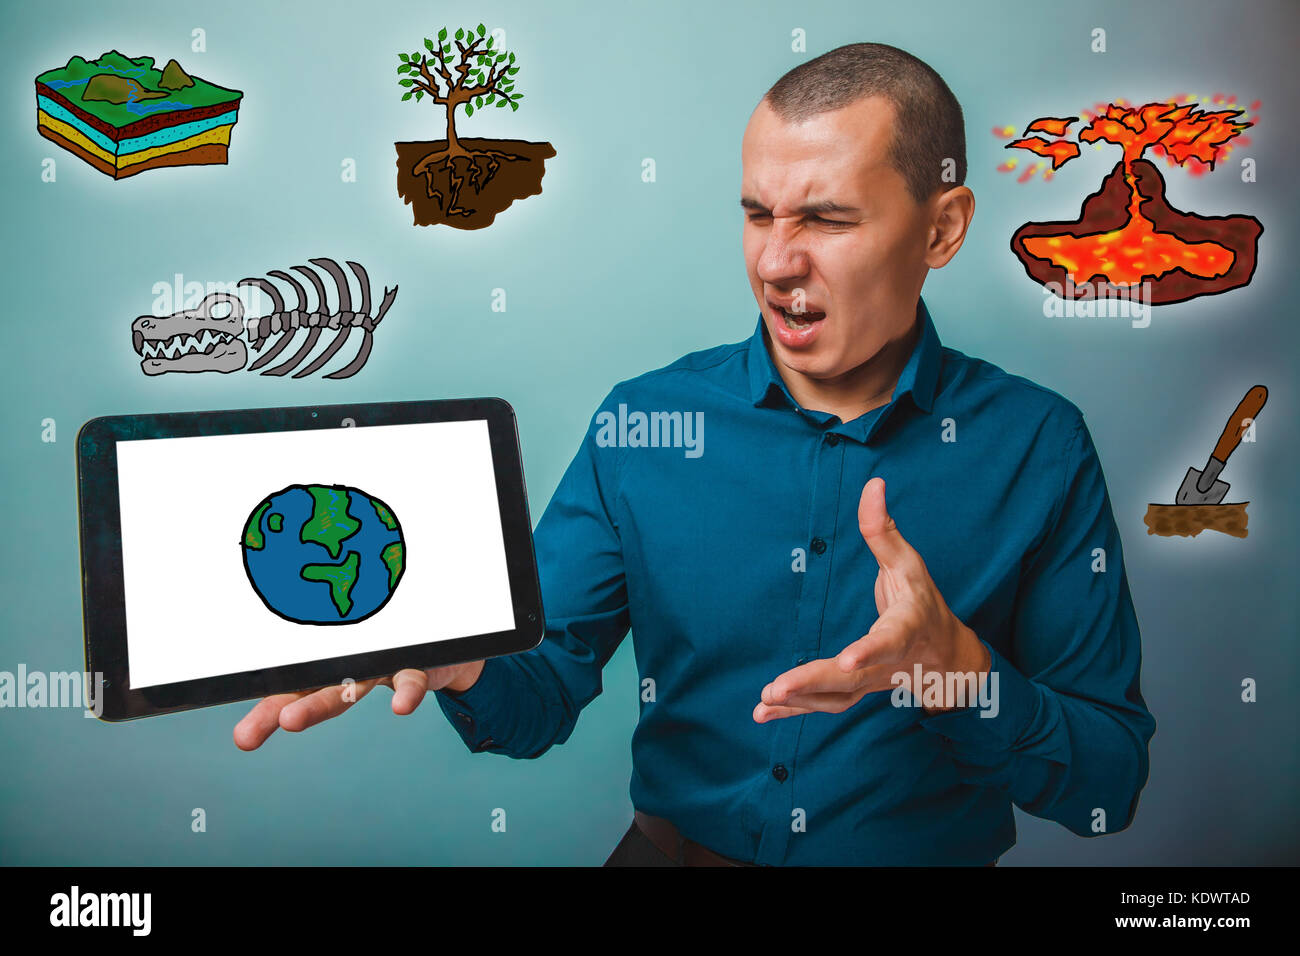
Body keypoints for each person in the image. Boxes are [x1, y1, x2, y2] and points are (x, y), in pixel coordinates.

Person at [234, 42, 1156, 867]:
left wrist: (961, 674)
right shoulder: (643, 425)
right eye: (759, 214)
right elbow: (538, 696)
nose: (776, 263)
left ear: (941, 229)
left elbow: (1108, 785)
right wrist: (462, 664)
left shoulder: (1037, 445)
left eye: (828, 221)